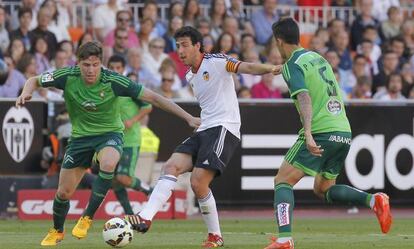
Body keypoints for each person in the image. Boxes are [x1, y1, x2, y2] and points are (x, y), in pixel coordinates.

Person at [15, 41, 200, 246]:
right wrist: (25, 92)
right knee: (63, 193)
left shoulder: (113, 80)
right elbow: (34, 79)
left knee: (109, 164)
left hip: (109, 134)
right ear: (78, 64)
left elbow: (154, 98)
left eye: (95, 64)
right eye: (86, 65)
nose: (91, 70)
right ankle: (57, 230)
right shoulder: (66, 76)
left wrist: (188, 118)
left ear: (101, 64)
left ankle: (87, 217)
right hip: (80, 139)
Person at [125, 26, 279, 248]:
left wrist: (272, 68)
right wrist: (193, 120)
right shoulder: (189, 75)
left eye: (185, 45)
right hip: (205, 128)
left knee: (198, 182)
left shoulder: (216, 61)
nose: (180, 50)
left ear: (198, 46)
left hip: (224, 128)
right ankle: (146, 216)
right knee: (170, 166)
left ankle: (215, 236)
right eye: (178, 46)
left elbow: (247, 66)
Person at [264, 18, 392, 249]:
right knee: (323, 189)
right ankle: (374, 200)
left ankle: (284, 239)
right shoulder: (317, 57)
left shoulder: (292, 64)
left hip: (321, 130)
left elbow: (304, 96)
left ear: (279, 41)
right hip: (342, 130)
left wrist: (310, 133)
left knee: (283, 181)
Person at [107, 55, 153, 215]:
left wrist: (132, 121)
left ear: (123, 69)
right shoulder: (105, 88)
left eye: (118, 68)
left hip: (129, 140)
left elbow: (147, 107)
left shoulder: (129, 87)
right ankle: (129, 214)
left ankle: (150, 190)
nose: (115, 71)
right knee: (114, 181)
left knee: (123, 177)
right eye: (112, 67)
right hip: (111, 142)